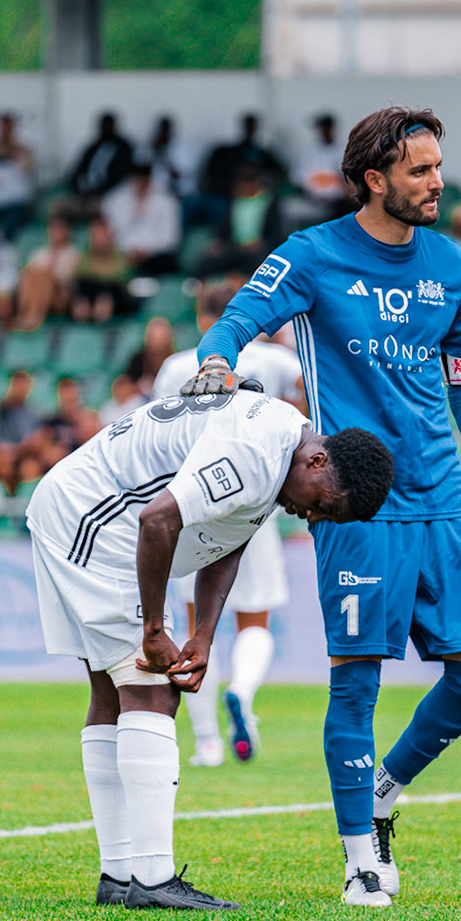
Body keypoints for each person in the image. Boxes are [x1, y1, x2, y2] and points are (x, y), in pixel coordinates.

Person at [182, 105, 461, 908]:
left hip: (443, 501)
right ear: (375, 180)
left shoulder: (451, 265)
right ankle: (360, 858)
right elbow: (238, 319)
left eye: (438, 167)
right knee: (356, 684)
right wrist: (213, 363)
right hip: (356, 501)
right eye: (419, 171)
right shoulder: (312, 255)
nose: (437, 182)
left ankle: (382, 790)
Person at [27, 381, 393, 910]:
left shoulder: (283, 452)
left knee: (113, 693)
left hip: (76, 508)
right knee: (153, 690)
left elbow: (230, 534)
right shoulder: (257, 451)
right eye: (323, 505)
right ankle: (150, 881)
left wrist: (203, 634)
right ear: (317, 461)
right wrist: (154, 630)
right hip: (96, 522)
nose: (312, 517)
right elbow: (159, 518)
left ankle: (119, 874)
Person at [154, 286, 304, 767]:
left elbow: (160, 431)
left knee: (199, 621)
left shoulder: (179, 365)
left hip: (194, 500)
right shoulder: (277, 361)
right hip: (257, 496)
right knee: (253, 619)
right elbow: (304, 408)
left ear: (204, 317)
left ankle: (208, 743)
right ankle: (241, 692)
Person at [101, 164, 180, 276]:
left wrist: (147, 251)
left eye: (143, 182)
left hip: (155, 256)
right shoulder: (115, 200)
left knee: (165, 263)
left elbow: (170, 239)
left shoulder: (167, 202)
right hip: (123, 254)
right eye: (136, 181)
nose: (139, 186)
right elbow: (111, 233)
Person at [11, 215, 78, 330]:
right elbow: (27, 274)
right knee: (29, 273)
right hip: (38, 294)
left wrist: (50, 273)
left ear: (67, 231)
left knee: (44, 274)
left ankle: (33, 316)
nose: (57, 232)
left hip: (62, 297)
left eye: (60, 228)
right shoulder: (40, 253)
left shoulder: (74, 254)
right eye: (54, 228)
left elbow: (69, 281)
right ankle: (25, 313)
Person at [67, 112, 135, 209]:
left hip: (110, 195)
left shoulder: (123, 147)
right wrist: (79, 189)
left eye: (107, 126)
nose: (104, 129)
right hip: (85, 193)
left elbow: (123, 176)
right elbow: (77, 171)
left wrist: (101, 191)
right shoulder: (93, 147)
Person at [71, 218, 133, 323]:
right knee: (81, 297)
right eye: (95, 235)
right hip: (90, 292)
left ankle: (101, 328)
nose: (99, 239)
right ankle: (81, 330)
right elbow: (79, 272)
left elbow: (118, 275)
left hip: (114, 296)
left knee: (104, 297)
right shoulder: (86, 254)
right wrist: (102, 271)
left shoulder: (119, 255)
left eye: (102, 235)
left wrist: (95, 271)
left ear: (109, 236)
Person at [291, 113, 348, 219]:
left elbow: (347, 181)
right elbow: (299, 179)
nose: (324, 131)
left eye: (327, 128)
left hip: (339, 203)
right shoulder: (308, 152)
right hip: (312, 202)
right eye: (322, 128)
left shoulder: (343, 150)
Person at [137, 115, 198, 201]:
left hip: (181, 191)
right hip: (157, 191)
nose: (163, 133)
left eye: (165, 130)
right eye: (161, 130)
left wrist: (164, 155)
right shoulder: (150, 147)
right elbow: (141, 168)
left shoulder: (181, 147)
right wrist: (154, 151)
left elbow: (180, 174)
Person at [123, 317, 176, 396]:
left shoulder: (174, 360)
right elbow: (127, 384)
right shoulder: (139, 359)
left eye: (161, 337)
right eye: (155, 337)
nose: (158, 342)